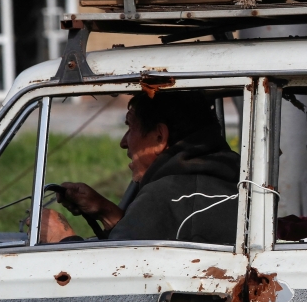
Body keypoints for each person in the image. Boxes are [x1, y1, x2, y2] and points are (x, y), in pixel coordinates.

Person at [40, 91, 240, 244]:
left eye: (130, 127)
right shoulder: (240, 180)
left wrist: (61, 237)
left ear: (160, 137)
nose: (123, 142)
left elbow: (111, 277)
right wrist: (106, 212)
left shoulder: (162, 197)